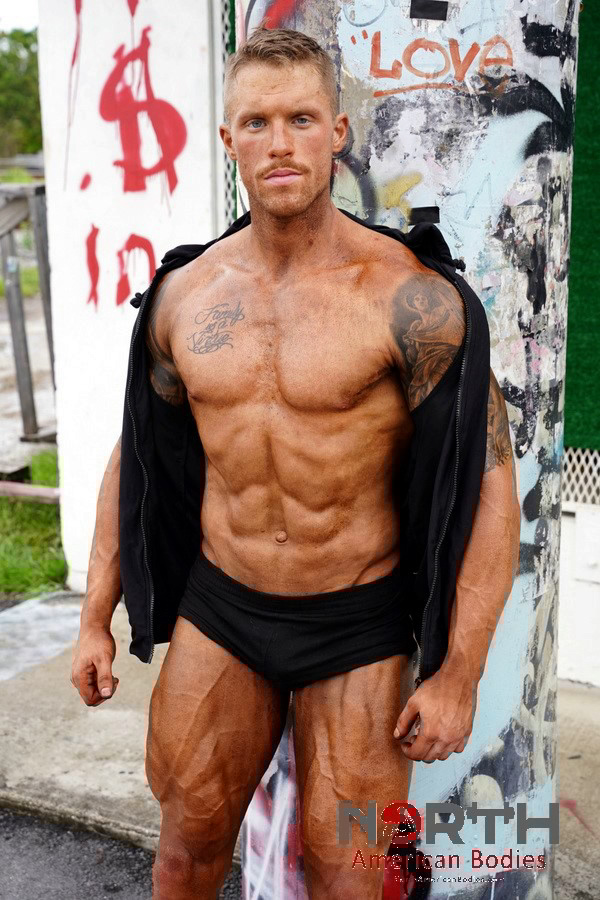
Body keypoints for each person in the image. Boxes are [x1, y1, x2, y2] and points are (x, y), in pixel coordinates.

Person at [71, 24, 521, 900]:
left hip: (358, 621)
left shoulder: (410, 299)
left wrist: (459, 673)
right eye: (258, 122)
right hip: (223, 606)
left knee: (350, 876)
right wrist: (95, 616)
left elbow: (489, 491)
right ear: (229, 138)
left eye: (302, 120)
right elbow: (141, 457)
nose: (280, 143)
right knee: (184, 852)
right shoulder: (183, 297)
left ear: (337, 131)